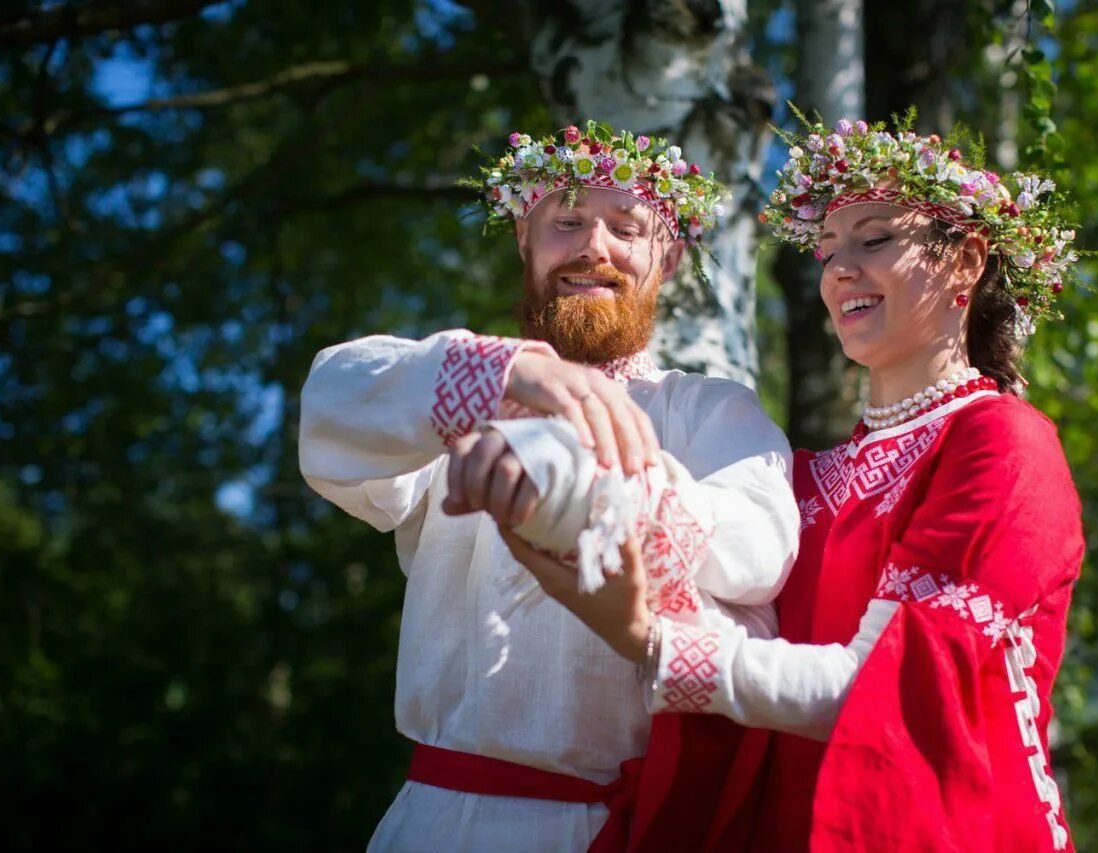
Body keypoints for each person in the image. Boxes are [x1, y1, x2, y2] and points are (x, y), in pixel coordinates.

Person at [505, 115, 1085, 851]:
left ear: (966, 260)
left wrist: (648, 636)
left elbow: (885, 684)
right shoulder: (804, 478)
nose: (840, 269)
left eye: (874, 238)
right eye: (828, 250)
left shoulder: (1002, 442)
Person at [298, 121, 798, 851]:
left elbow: (763, 545)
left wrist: (607, 490)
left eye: (626, 226)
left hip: (612, 828)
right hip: (433, 822)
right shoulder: (456, 400)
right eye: (566, 221)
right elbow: (332, 409)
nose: (594, 246)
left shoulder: (705, 409)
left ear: (671, 258)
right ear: (523, 243)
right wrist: (504, 373)